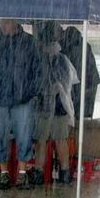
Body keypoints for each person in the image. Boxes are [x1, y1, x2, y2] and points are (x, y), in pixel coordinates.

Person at [0, 19, 40, 190]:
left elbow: (38, 70)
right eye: (1, 23)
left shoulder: (29, 42)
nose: (3, 26)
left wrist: (33, 93)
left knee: (25, 135)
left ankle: (22, 174)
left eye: (6, 22)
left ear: (15, 22)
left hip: (23, 100)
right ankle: (4, 173)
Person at [32, 23, 79, 184]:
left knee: (42, 140)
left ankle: (38, 173)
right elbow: (69, 84)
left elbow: (36, 83)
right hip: (59, 106)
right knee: (59, 140)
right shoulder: (63, 59)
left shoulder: (39, 59)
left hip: (43, 106)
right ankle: (64, 173)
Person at [60, 26, 100, 119]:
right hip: (89, 83)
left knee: (73, 114)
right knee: (84, 115)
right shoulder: (84, 46)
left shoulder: (67, 47)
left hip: (79, 84)